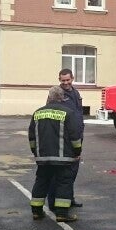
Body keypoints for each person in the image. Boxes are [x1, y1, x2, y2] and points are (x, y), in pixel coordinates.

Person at [28, 86, 82, 222]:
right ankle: (62, 214)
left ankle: (36, 211)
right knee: (64, 183)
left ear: (49, 97)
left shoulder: (37, 113)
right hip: (63, 157)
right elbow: (75, 136)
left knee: (41, 182)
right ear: (62, 97)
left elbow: (32, 137)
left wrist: (35, 152)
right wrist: (77, 152)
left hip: (43, 157)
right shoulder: (68, 113)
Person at [47, 68, 84, 210]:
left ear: (72, 78)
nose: (66, 83)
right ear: (59, 80)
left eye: (68, 80)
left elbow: (79, 114)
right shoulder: (56, 94)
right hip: (63, 138)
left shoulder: (75, 93)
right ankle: (53, 202)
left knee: (72, 172)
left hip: (76, 136)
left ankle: (69, 198)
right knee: (57, 174)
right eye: (63, 80)